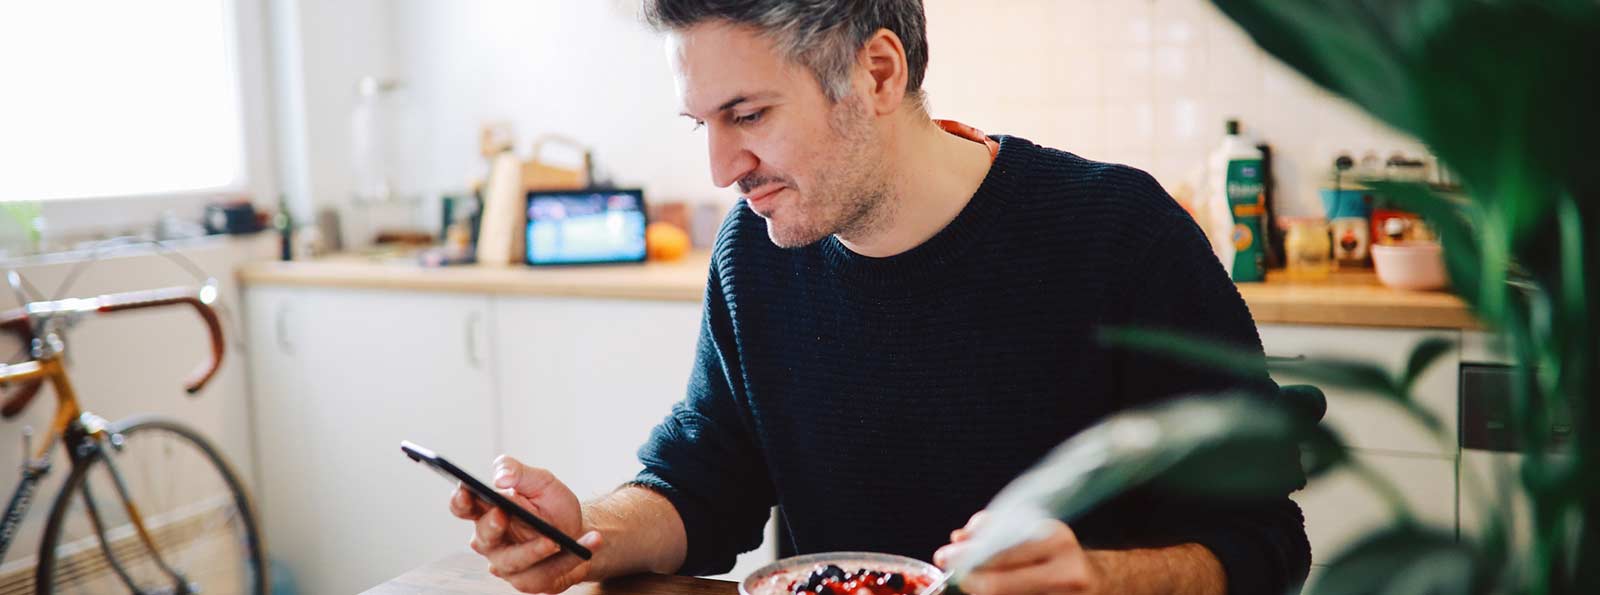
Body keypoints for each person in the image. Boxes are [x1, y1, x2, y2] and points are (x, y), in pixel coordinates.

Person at [449, 2, 1312, 594]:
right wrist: (581, 534)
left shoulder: (1121, 236)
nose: (719, 169)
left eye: (747, 114)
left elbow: (1267, 543)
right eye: (701, 123)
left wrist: (1102, 579)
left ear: (877, 72)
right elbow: (701, 484)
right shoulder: (755, 249)